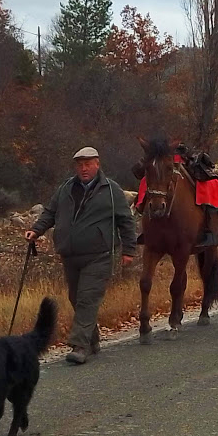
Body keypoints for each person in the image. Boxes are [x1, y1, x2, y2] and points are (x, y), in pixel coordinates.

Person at [25, 146, 136, 365]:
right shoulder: (66, 188)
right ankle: (91, 337)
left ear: (97, 164)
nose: (83, 169)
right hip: (70, 254)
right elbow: (50, 212)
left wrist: (129, 250)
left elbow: (126, 221)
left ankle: (80, 345)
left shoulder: (112, 190)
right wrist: (37, 230)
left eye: (88, 164)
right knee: (76, 298)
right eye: (80, 165)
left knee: (87, 299)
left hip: (99, 255)